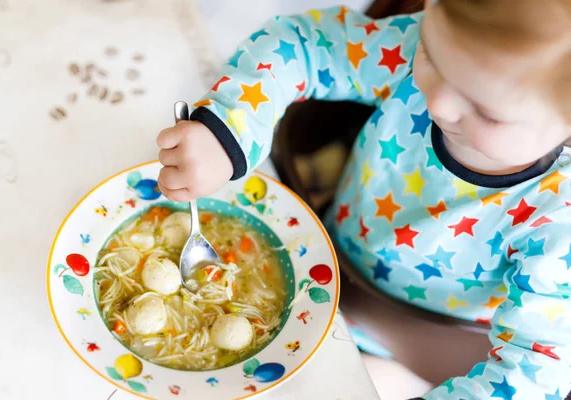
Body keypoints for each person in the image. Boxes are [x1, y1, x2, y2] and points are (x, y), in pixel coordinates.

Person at [156, 1, 571, 398]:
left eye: (486, 112)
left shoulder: (560, 219)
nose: (438, 103)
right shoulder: (414, 52)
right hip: (327, 262)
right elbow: (301, 45)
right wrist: (227, 127)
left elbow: (532, 377)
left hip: (414, 349)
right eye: (432, 53)